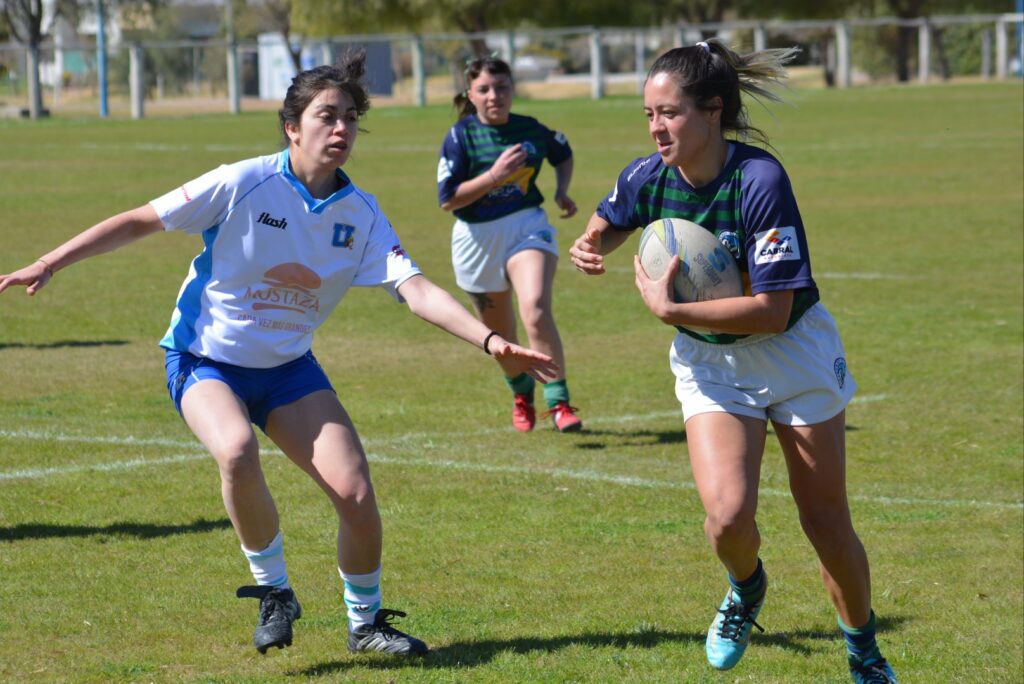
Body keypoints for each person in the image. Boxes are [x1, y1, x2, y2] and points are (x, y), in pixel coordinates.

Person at [0, 52, 557, 658]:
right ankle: (274, 592)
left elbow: (415, 289)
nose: (341, 129)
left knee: (356, 493)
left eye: (350, 118)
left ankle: (365, 625)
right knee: (236, 449)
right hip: (204, 360)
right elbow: (142, 220)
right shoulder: (243, 182)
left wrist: (491, 340)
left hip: (289, 370)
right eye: (326, 117)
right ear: (292, 127)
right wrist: (51, 261)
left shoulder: (362, 212)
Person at [568, 40, 897, 684]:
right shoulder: (647, 175)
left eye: (670, 113)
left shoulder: (759, 181)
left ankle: (864, 651)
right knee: (726, 518)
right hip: (712, 364)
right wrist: (591, 244)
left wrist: (673, 313)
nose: (657, 127)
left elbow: (772, 310)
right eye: (648, 115)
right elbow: (611, 218)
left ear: (712, 111)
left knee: (825, 520)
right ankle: (746, 588)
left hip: (792, 351)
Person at [437, 55, 582, 433]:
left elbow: (562, 153)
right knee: (499, 339)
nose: (494, 96)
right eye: (484, 89)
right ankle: (520, 392)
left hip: (526, 227)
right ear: (470, 93)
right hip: (476, 240)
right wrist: (494, 176)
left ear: (512, 90)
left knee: (535, 308)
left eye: (501, 87)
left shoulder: (530, 129)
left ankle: (560, 402)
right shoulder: (460, 136)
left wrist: (561, 191)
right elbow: (448, 199)